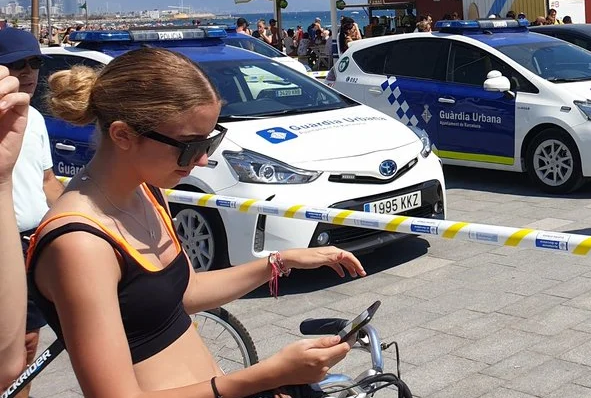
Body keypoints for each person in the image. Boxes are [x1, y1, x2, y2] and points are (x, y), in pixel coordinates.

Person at [25, 46, 367, 397]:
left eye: (210, 141)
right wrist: (268, 375)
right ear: (122, 135)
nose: (202, 160)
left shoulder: (147, 190)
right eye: (189, 145)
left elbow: (185, 292)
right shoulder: (80, 244)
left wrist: (277, 262)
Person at [0, 28, 63, 398]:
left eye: (35, 62)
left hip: (35, 244)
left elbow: (48, 182)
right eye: (16, 63)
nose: (27, 71)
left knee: (29, 343)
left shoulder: (35, 119)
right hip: (5, 245)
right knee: (12, 350)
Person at [0, 61, 33, 384]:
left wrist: (0, 179)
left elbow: (5, 365)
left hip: (25, 243)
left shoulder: (27, 116)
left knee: (28, 343)